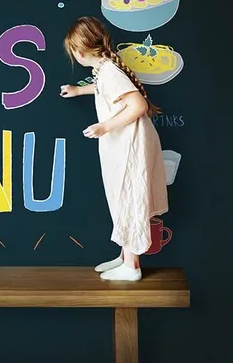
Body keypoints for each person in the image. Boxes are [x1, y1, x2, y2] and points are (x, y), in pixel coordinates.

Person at [59, 17, 168, 281]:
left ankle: (132, 266)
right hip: (126, 143)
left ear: (80, 50)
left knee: (129, 197)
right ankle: (124, 256)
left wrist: (104, 126)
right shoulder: (106, 69)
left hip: (130, 144)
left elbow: (138, 106)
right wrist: (78, 90)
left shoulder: (109, 71)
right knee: (123, 197)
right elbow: (104, 89)